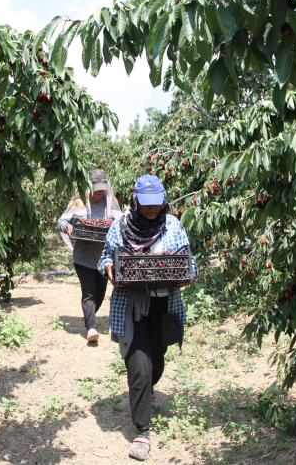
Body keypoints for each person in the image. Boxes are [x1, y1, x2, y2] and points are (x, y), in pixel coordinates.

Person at [98, 174, 197, 461]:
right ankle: (142, 430)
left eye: (156, 203)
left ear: (163, 200)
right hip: (133, 305)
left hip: (164, 304)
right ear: (135, 199)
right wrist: (109, 267)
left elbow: (188, 261)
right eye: (146, 204)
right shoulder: (121, 226)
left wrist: (187, 274)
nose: (152, 209)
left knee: (157, 357)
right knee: (139, 364)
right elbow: (106, 255)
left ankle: (149, 388)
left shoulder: (173, 225)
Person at [58, 169, 121, 343]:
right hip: (83, 256)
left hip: (103, 258)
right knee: (89, 291)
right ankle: (91, 327)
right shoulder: (78, 201)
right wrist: (68, 227)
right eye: (96, 190)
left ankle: (90, 314)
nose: (99, 194)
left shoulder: (110, 203)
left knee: (100, 293)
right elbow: (61, 221)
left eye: (102, 191)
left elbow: (120, 223)